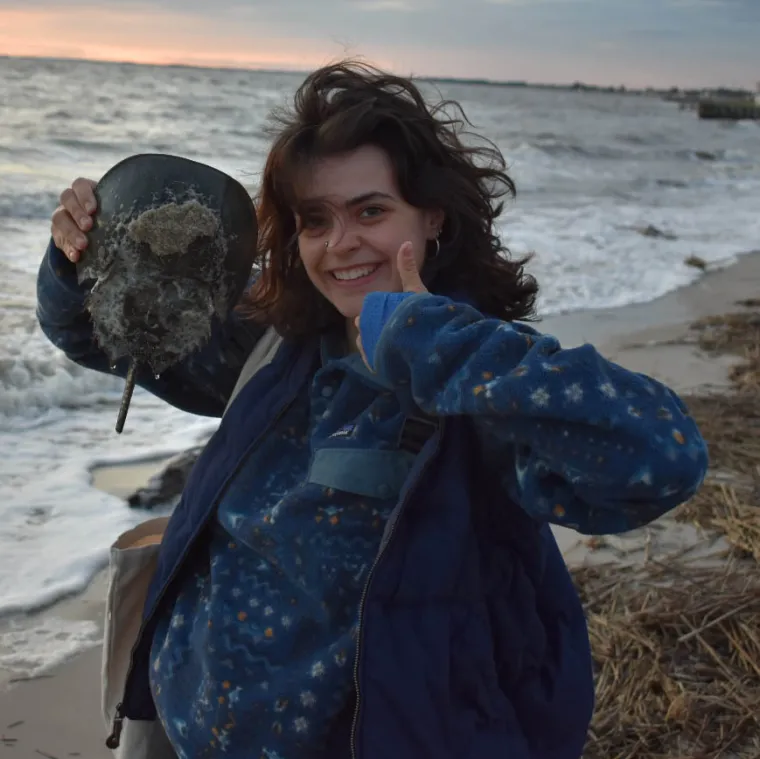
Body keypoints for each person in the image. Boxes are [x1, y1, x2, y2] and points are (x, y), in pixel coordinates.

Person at [39, 61, 708, 759]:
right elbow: (100, 333)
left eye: (371, 211)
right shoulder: (277, 347)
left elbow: (664, 456)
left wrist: (430, 340)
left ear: (434, 214)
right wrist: (81, 254)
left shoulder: (477, 383)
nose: (341, 243)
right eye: (315, 220)